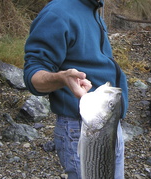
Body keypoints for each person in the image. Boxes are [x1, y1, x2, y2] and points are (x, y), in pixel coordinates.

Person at [23, 0, 128, 178]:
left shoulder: (92, 8)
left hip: (109, 123)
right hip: (81, 125)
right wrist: (61, 78)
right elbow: (33, 76)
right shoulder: (58, 13)